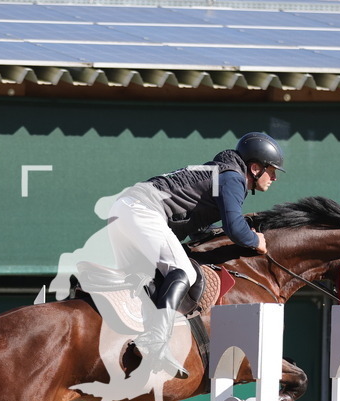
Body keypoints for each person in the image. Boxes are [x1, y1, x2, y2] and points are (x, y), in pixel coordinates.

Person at [105, 131, 285, 379]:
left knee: (146, 281)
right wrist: (256, 240)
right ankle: (154, 342)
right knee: (183, 272)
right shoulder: (233, 177)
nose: (274, 177)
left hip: (122, 209)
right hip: (142, 210)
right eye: (271, 170)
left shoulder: (220, 172)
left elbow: (199, 227)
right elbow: (235, 229)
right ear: (255, 168)